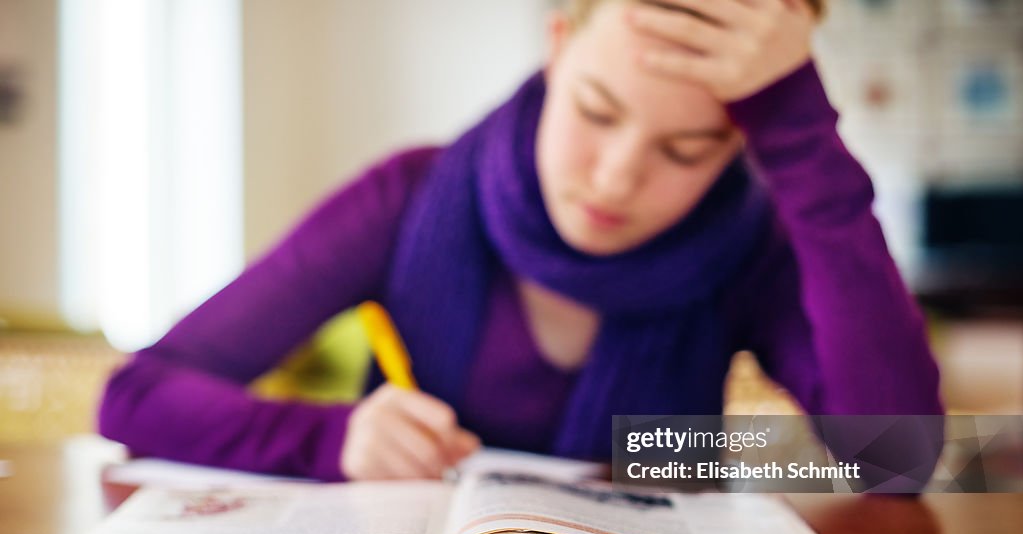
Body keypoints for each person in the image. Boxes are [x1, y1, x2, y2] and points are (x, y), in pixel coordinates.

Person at [98, 0, 944, 485]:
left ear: (741, 147)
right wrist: (335, 439)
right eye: (597, 112)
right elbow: (136, 394)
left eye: (687, 151)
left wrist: (799, 132)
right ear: (557, 43)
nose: (614, 180)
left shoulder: (750, 245)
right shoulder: (406, 196)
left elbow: (896, 458)